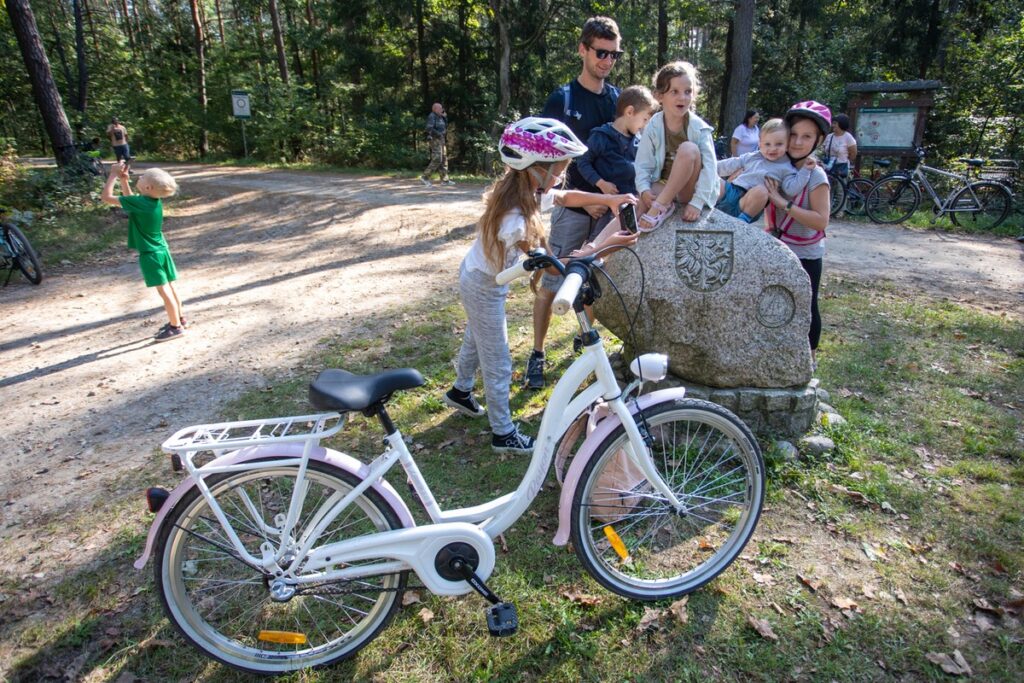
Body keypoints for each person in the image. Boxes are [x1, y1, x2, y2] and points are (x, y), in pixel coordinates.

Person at [441, 117, 636, 454]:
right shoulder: (513, 219)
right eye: (558, 168)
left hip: (480, 278)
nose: (561, 174)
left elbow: (564, 198)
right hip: (483, 285)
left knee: (477, 337)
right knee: (498, 358)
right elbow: (538, 257)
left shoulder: (526, 193)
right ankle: (503, 433)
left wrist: (608, 202)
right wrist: (584, 252)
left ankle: (460, 391)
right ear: (535, 168)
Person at [527, 15, 622, 390]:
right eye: (601, 52)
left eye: (614, 55)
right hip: (570, 206)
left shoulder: (618, 100)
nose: (607, 61)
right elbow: (544, 160)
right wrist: (587, 201)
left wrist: (609, 199)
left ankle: (584, 345)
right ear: (583, 49)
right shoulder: (561, 99)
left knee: (592, 280)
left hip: (606, 210)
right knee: (552, 280)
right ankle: (536, 354)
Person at [763, 101, 833, 368]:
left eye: (807, 137)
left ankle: (810, 360)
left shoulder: (816, 176)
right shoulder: (778, 166)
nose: (798, 142)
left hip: (805, 251)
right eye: (794, 134)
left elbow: (820, 220)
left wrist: (783, 204)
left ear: (818, 140)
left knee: (806, 304)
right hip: (778, 246)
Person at [101, 162, 187, 342]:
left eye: (142, 177)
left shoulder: (141, 202)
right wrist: (124, 181)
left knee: (164, 291)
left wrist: (113, 175)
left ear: (148, 187)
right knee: (170, 287)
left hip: (150, 254)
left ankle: (175, 327)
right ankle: (180, 319)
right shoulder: (152, 202)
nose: (138, 177)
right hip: (161, 250)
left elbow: (106, 197)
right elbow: (130, 202)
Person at [631, 61, 718, 230]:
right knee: (638, 205)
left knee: (688, 149)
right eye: (675, 92)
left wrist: (697, 202)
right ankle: (595, 247)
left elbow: (710, 168)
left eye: (688, 92)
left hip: (688, 189)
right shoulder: (653, 126)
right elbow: (642, 164)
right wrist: (644, 190)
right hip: (664, 185)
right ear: (659, 96)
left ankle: (661, 206)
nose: (682, 97)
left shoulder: (699, 128)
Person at [576, 85, 658, 197]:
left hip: (634, 201)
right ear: (629, 112)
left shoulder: (638, 141)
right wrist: (601, 183)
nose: (645, 125)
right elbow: (582, 161)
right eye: (644, 120)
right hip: (609, 202)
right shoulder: (601, 137)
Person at [715, 118, 799, 222]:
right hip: (731, 190)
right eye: (767, 144)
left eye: (779, 144)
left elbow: (792, 189)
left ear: (787, 146)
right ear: (760, 144)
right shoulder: (753, 156)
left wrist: (806, 171)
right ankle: (701, 200)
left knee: (762, 191)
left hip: (748, 202)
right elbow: (731, 164)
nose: (772, 149)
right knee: (713, 179)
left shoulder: (787, 168)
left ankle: (742, 221)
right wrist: (709, 167)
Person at [421, 103, 454, 186]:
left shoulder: (440, 117)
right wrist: (438, 134)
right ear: (435, 109)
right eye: (440, 109)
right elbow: (429, 128)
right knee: (437, 159)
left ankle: (445, 180)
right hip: (435, 140)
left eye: (442, 109)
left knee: (444, 159)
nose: (442, 110)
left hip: (441, 140)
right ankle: (425, 177)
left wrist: (444, 117)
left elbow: (445, 126)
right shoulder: (432, 116)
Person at [821, 113, 857, 178]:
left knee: (840, 187)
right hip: (828, 168)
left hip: (841, 169)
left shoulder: (848, 137)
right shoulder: (829, 137)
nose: (832, 125)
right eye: (833, 123)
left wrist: (843, 159)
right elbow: (823, 149)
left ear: (841, 124)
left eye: (835, 123)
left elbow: (853, 154)